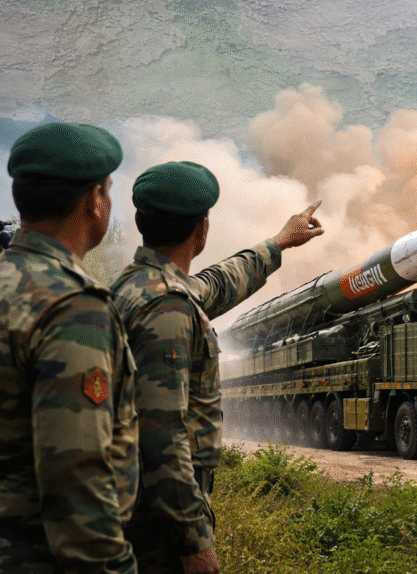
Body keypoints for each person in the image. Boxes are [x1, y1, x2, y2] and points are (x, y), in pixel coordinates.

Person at [110, 161, 323, 574]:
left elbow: (218, 283)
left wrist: (280, 242)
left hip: (134, 505)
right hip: (155, 530)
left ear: (139, 221)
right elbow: (162, 437)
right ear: (202, 230)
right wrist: (195, 543)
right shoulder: (167, 307)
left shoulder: (136, 285)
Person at [0, 123, 138, 574]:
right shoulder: (72, 304)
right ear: (94, 202)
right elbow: (77, 482)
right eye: (108, 191)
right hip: (41, 558)